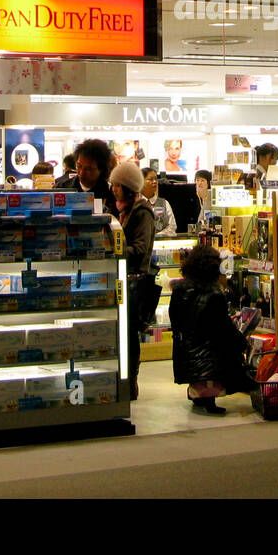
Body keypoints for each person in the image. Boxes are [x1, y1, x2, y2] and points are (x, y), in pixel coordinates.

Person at [169, 242, 257, 415]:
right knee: (229, 353)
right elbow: (223, 331)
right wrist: (242, 342)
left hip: (184, 357)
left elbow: (177, 322)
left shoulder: (179, 291)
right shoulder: (214, 296)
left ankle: (198, 393)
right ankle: (210, 394)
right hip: (208, 360)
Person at [110, 161, 156, 399]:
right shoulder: (123, 210)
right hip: (123, 281)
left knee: (129, 334)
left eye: (117, 184)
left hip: (135, 283)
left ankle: (131, 383)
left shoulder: (142, 212)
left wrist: (112, 248)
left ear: (128, 186)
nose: (113, 188)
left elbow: (140, 248)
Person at [72, 138, 117, 216]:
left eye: (88, 169)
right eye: (79, 166)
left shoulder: (110, 194)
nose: (82, 173)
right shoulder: (62, 188)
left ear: (101, 169)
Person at [142, 168, 178, 237]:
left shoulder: (164, 203)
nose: (154, 182)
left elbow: (172, 227)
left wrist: (156, 236)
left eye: (156, 179)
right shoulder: (135, 204)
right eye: (150, 179)